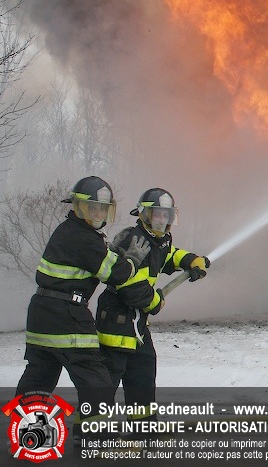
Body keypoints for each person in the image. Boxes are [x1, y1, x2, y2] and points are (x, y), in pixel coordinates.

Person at [16, 176, 151, 434]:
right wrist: (132, 260)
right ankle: (94, 436)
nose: (98, 214)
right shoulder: (84, 238)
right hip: (68, 316)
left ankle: (26, 434)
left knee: (39, 378)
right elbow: (116, 273)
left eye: (102, 209)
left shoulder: (68, 231)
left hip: (41, 315)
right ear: (78, 207)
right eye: (92, 208)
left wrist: (114, 253)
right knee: (96, 380)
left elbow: (95, 260)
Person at [96, 188, 210, 423]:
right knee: (106, 384)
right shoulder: (133, 240)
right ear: (144, 214)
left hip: (136, 326)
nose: (161, 220)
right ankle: (90, 432)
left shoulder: (158, 241)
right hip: (116, 324)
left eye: (166, 215)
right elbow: (129, 286)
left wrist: (191, 260)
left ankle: (143, 430)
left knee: (143, 377)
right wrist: (155, 302)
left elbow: (169, 256)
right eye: (157, 214)